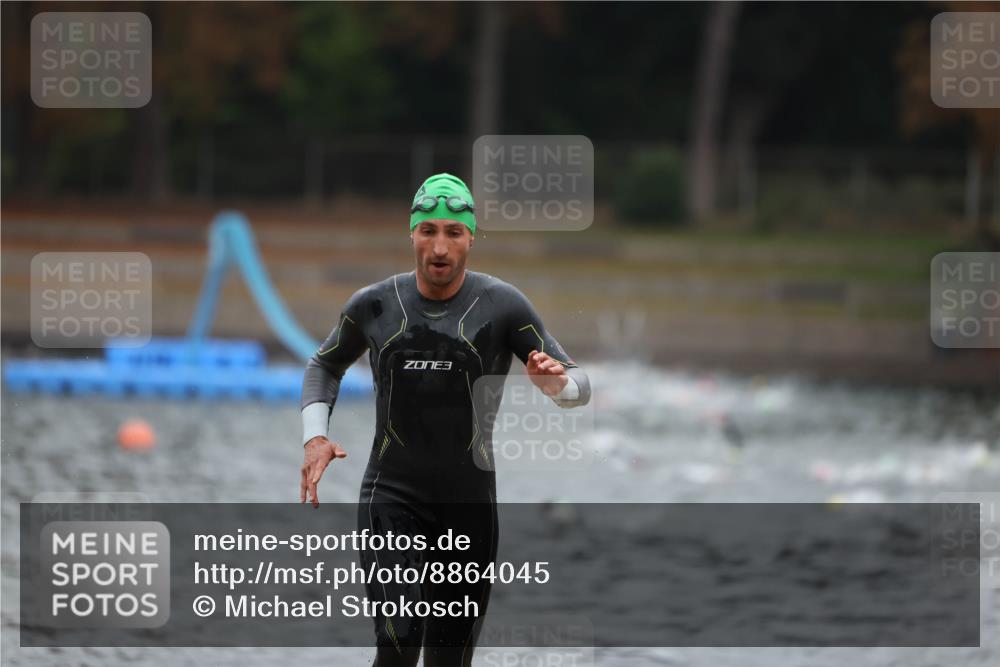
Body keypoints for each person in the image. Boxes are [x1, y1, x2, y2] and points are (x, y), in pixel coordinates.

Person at [299, 173, 591, 666]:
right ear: (410, 233)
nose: (439, 246)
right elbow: (323, 364)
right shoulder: (375, 305)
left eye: (453, 233)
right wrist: (315, 437)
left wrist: (557, 386)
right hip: (391, 498)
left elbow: (580, 387)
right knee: (398, 644)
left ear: (471, 237)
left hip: (470, 507)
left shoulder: (503, 306)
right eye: (428, 230)